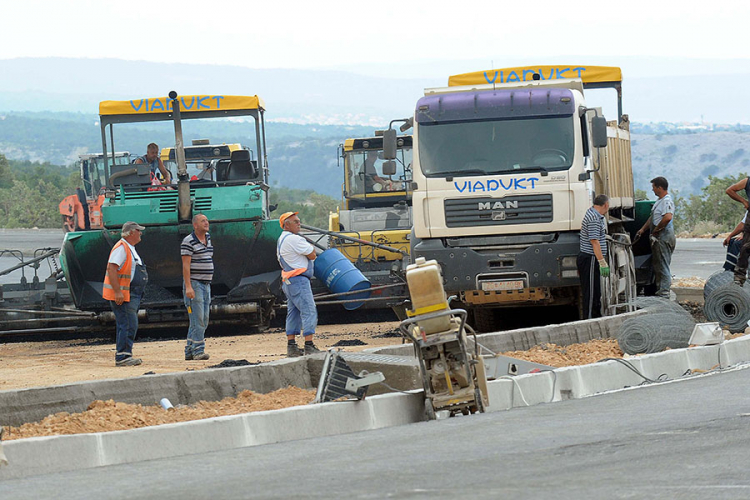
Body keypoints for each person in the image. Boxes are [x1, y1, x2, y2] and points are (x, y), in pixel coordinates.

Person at [103, 221, 148, 366]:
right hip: (125, 294)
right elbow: (111, 268)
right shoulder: (121, 248)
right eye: (138, 230)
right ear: (131, 233)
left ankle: (125, 354)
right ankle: (123, 357)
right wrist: (118, 292)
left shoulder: (129, 248)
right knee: (128, 324)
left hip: (131, 294)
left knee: (128, 323)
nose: (140, 233)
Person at [277, 211, 320, 357]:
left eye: (299, 221)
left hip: (288, 281)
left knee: (293, 312)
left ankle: (292, 346)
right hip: (299, 280)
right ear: (286, 225)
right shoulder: (294, 239)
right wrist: (310, 250)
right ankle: (309, 345)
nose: (299, 224)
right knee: (309, 310)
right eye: (296, 222)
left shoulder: (282, 239)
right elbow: (312, 254)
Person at [636, 176, 676, 298]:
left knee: (663, 266)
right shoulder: (659, 201)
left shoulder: (666, 201)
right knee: (658, 265)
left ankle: (664, 293)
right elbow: (652, 218)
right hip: (659, 237)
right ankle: (660, 290)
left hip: (663, 237)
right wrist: (643, 229)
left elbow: (667, 217)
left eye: (653, 187)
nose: (652, 190)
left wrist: (656, 231)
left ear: (659, 187)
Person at [181, 213, 213, 361]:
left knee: (203, 319)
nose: (206, 223)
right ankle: (198, 351)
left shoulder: (208, 238)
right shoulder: (188, 242)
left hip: (206, 284)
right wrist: (188, 287)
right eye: (202, 221)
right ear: (195, 225)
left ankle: (189, 350)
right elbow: (186, 266)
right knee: (198, 319)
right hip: (195, 284)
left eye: (206, 220)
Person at [577, 194, 610, 319]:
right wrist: (602, 261)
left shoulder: (594, 215)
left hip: (590, 258)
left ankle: (595, 317)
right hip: (590, 258)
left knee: (596, 292)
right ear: (606, 205)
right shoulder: (594, 219)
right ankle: (590, 320)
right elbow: (594, 241)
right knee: (591, 294)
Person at [726, 177, 750, 284]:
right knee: (745, 248)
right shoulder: (747, 181)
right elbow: (730, 190)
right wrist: (744, 201)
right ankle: (739, 277)